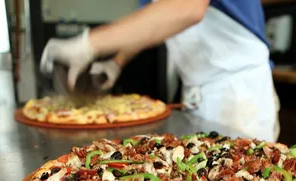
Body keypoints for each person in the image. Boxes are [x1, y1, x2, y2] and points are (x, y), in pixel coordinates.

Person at [40, 0, 280, 142]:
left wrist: (88, 43)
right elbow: (154, 24)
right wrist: (118, 61)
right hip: (197, 90)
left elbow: (188, 7)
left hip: (238, 92)